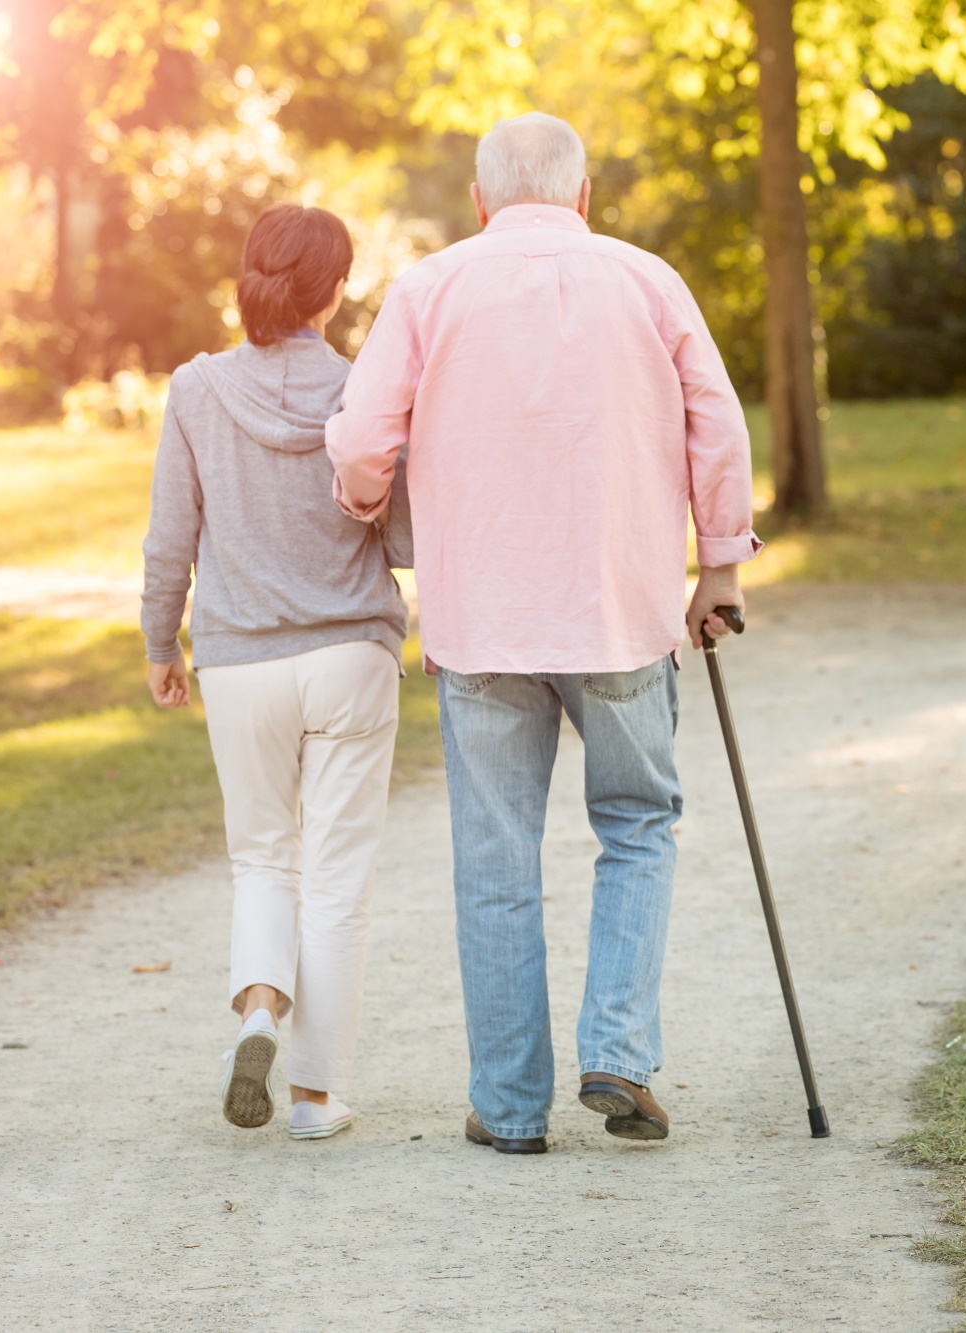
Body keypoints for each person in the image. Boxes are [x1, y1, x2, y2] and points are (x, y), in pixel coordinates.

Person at [327, 111, 760, 1155]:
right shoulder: (647, 280)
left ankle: (511, 1108)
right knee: (638, 824)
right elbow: (718, 419)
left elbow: (359, 440)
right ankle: (615, 1047)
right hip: (621, 611)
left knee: (493, 859)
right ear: (583, 193)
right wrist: (720, 564)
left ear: (479, 203)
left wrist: (366, 502)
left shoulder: (429, 287)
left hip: (483, 622)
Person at [141, 204, 412, 1142]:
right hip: (352, 657)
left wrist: (157, 643)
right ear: (335, 293)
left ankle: (259, 1008)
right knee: (337, 878)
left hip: (239, 658)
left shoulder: (196, 389)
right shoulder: (364, 392)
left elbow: (171, 534)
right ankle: (314, 1096)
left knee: (262, 854)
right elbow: (406, 535)